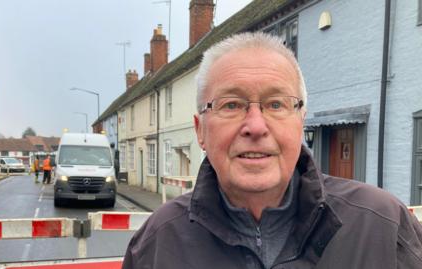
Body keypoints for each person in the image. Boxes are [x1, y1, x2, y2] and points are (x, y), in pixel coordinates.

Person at [122, 32, 422, 269]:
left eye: (276, 104)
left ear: (300, 121)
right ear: (201, 130)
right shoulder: (157, 243)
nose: (255, 126)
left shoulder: (383, 225)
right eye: (231, 105)